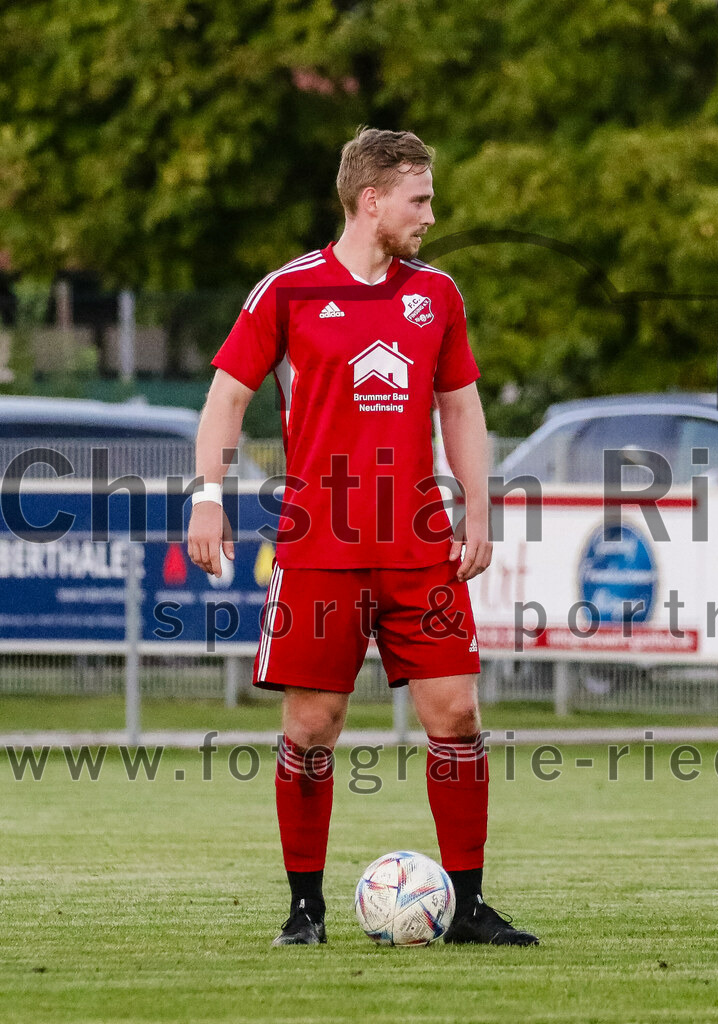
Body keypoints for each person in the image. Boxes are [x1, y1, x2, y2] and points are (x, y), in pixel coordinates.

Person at [187, 127, 538, 948]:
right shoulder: (287, 291)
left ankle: (469, 907)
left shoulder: (437, 295)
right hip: (320, 543)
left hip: (419, 543)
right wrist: (209, 500)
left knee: (455, 714)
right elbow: (226, 400)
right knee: (313, 728)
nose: (429, 214)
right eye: (418, 199)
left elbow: (461, 408)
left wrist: (478, 511)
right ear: (370, 199)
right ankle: (303, 911)